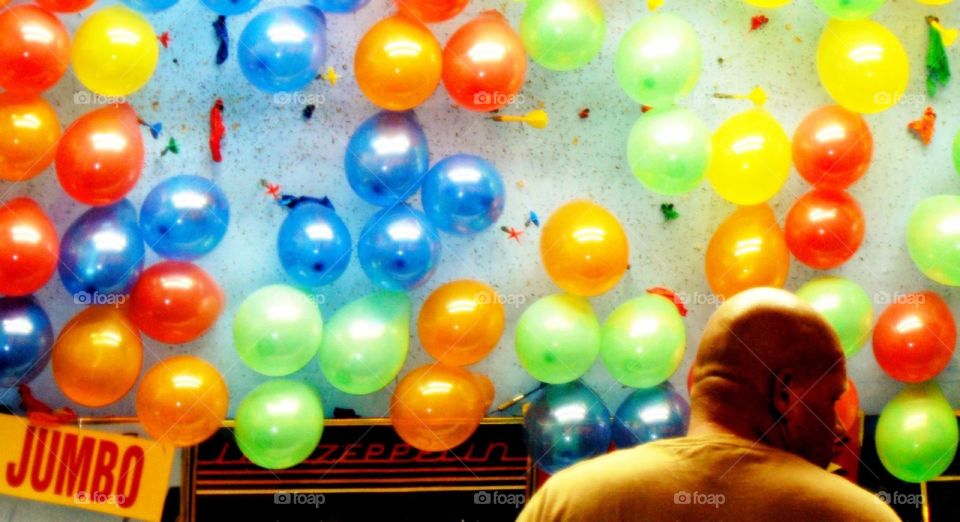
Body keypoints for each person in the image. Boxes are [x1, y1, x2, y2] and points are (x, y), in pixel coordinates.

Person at [517, 287, 899, 522]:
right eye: (831, 399)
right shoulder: (858, 515)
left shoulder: (565, 502)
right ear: (785, 394)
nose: (837, 428)